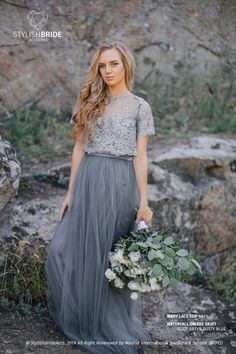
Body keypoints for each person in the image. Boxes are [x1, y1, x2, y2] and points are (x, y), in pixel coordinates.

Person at [45, 41, 156, 354]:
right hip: (89, 180)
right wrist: (70, 193)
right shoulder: (90, 100)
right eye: (102, 65)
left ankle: (105, 323)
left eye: (114, 64)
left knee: (108, 254)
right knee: (63, 249)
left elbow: (141, 156)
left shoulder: (139, 106)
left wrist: (144, 202)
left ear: (126, 66)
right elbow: (79, 148)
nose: (107, 71)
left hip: (120, 183)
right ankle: (83, 317)